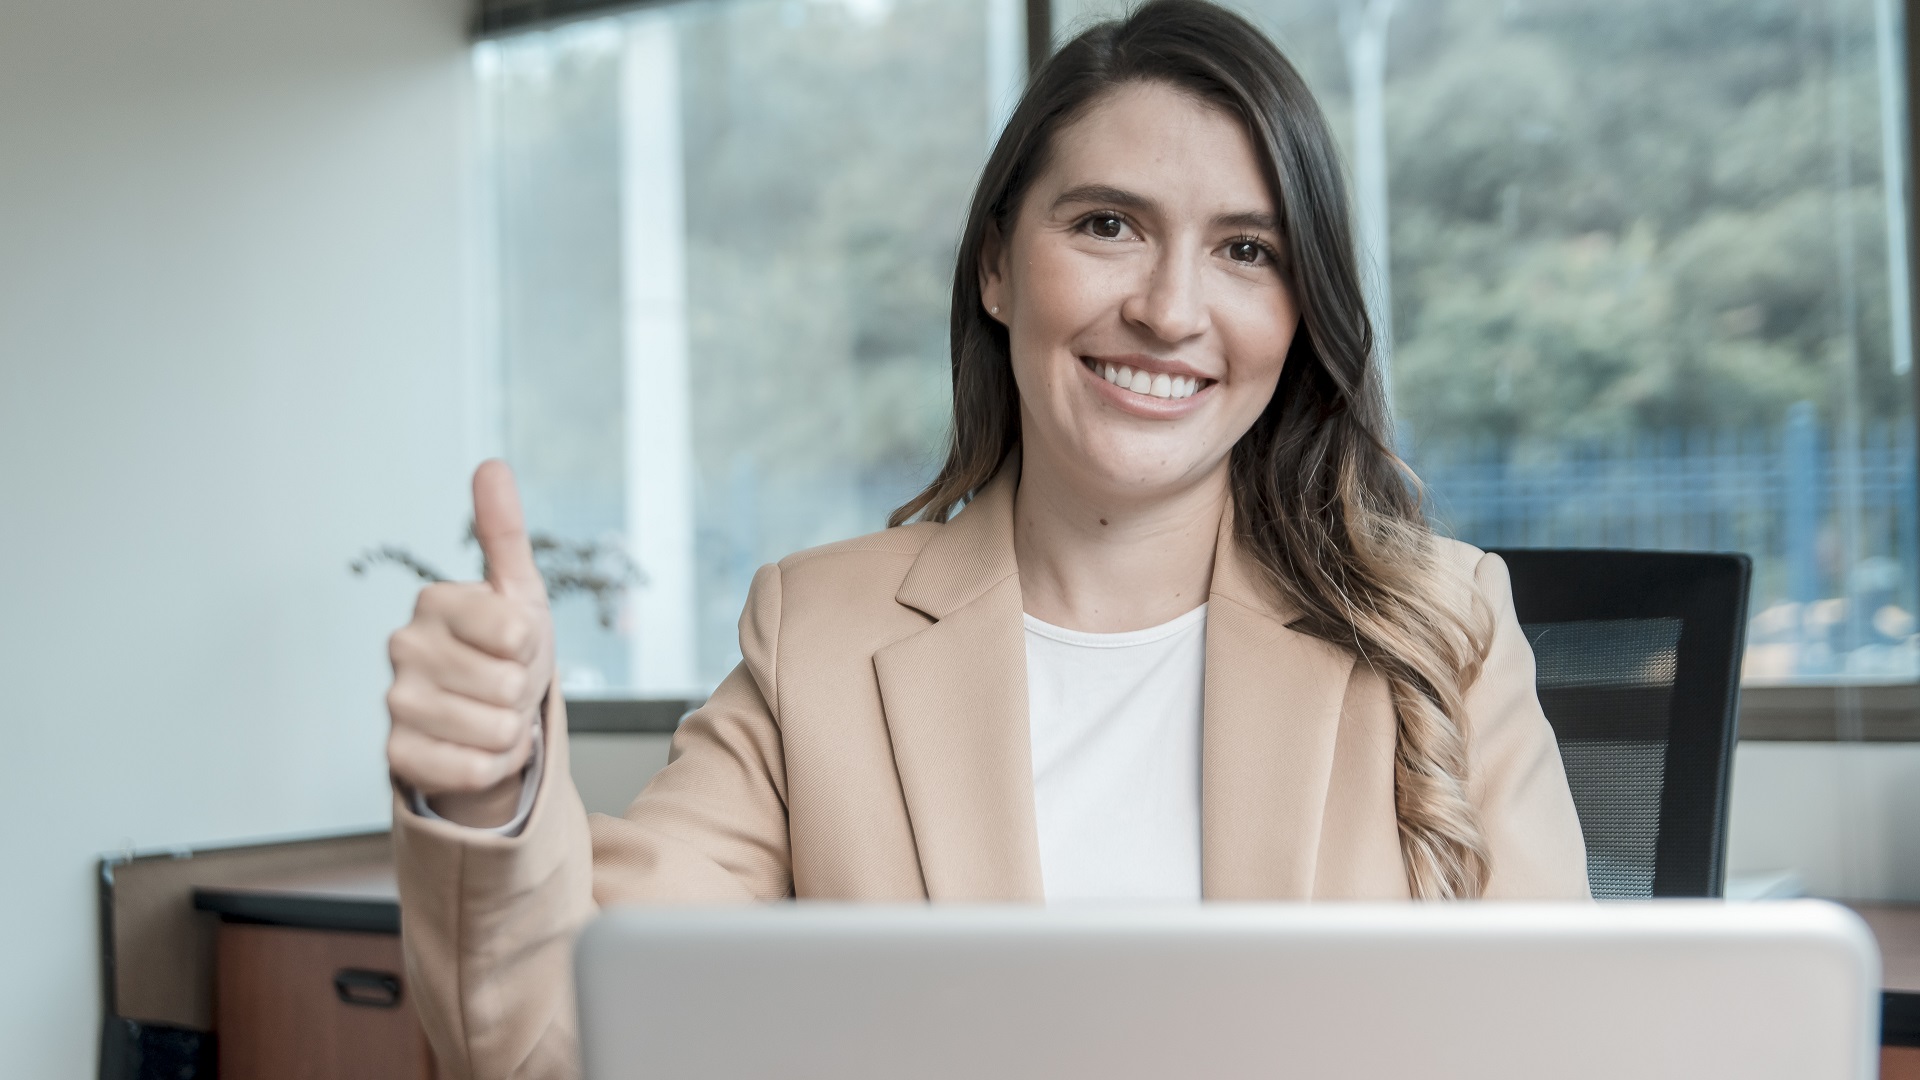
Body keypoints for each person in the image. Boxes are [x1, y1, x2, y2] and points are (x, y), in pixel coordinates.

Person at [383, 2, 1590, 1076]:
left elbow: (1566, 1048)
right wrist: (489, 797)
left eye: (1245, 249)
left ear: (1299, 307)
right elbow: (560, 1037)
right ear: (999, 266)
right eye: (1109, 224)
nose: (1171, 311)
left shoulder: (1444, 621)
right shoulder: (822, 644)